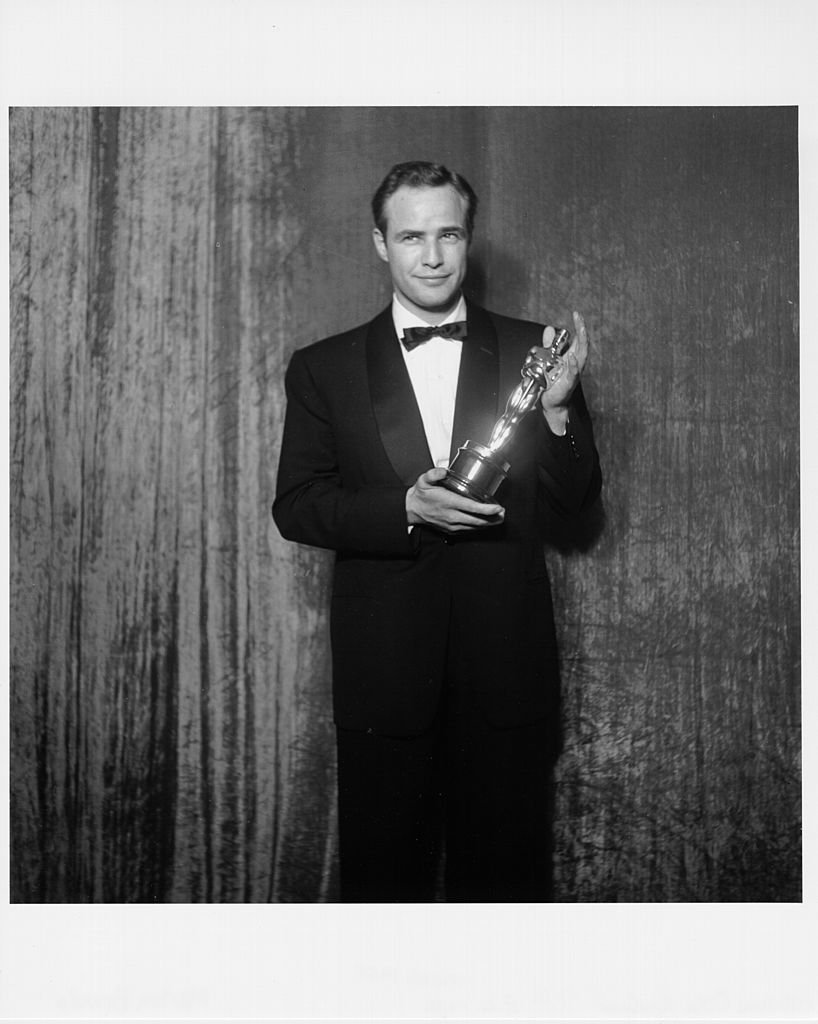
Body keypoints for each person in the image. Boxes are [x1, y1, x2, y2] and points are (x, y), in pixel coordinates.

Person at [273, 161, 601, 902]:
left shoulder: (536, 349)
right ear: (380, 244)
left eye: (447, 234)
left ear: (469, 240)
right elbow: (297, 505)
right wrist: (407, 508)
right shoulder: (321, 368)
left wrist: (556, 412)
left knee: (506, 888)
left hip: (505, 672)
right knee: (384, 891)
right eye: (411, 236)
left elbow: (579, 505)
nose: (431, 255)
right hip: (384, 679)